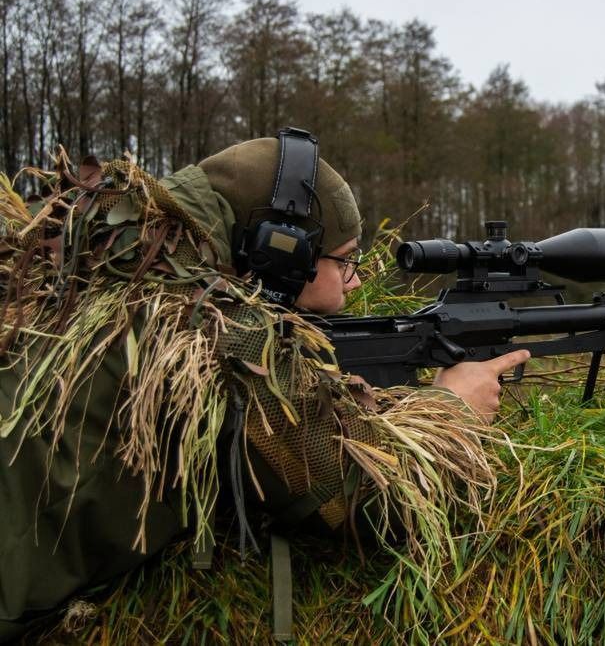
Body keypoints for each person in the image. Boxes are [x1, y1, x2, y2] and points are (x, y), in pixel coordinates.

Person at [0, 132, 527, 641]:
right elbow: (370, 501)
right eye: (345, 261)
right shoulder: (214, 329)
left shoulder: (103, 254)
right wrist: (452, 407)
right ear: (281, 254)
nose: (357, 281)